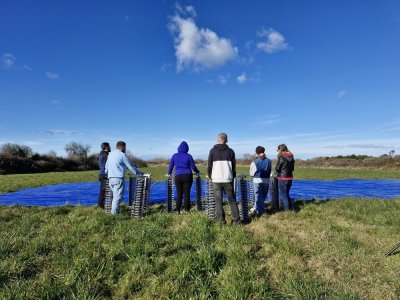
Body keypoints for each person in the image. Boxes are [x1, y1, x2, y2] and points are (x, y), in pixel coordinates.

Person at [207, 133, 241, 225]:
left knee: (218, 201)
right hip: (228, 179)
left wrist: (210, 175)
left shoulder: (212, 151)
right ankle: (237, 220)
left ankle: (221, 221)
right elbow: (234, 167)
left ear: (217, 139)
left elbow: (209, 165)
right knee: (232, 200)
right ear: (226, 140)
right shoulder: (231, 151)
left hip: (216, 179)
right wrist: (232, 176)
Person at [105, 141, 143, 215]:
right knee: (117, 198)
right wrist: (139, 173)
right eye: (125, 147)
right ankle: (114, 216)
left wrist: (107, 173)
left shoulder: (110, 155)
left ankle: (117, 212)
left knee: (115, 197)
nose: (125, 149)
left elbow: (106, 166)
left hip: (110, 178)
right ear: (122, 147)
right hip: (118, 179)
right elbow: (130, 166)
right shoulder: (122, 155)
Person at [167, 141, 200, 214]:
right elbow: (193, 167)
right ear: (187, 148)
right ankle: (187, 210)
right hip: (187, 176)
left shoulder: (174, 156)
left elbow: (171, 166)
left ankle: (177, 210)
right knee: (186, 193)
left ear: (178, 148)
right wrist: (197, 171)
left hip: (178, 176)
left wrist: (169, 173)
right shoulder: (189, 156)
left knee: (179, 193)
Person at [249, 146, 272, 216]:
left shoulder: (255, 162)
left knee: (258, 196)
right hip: (266, 180)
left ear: (257, 153)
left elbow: (251, 173)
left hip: (257, 180)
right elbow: (270, 170)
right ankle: (255, 208)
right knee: (263, 196)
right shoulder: (269, 161)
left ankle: (260, 212)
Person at [275, 144, 295, 211]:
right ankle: (291, 208)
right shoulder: (291, 156)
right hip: (290, 177)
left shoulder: (281, 156)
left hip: (282, 178)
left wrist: (276, 168)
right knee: (287, 194)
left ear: (280, 149)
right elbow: (292, 168)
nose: (277, 151)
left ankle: (287, 211)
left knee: (283, 194)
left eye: (278, 150)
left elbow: (277, 168)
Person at [98, 142, 111, 208]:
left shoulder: (101, 153)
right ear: (106, 147)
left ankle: (102, 205)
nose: (110, 147)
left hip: (101, 174)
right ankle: (100, 206)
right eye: (109, 146)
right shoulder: (106, 155)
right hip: (105, 175)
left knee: (104, 191)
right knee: (103, 191)